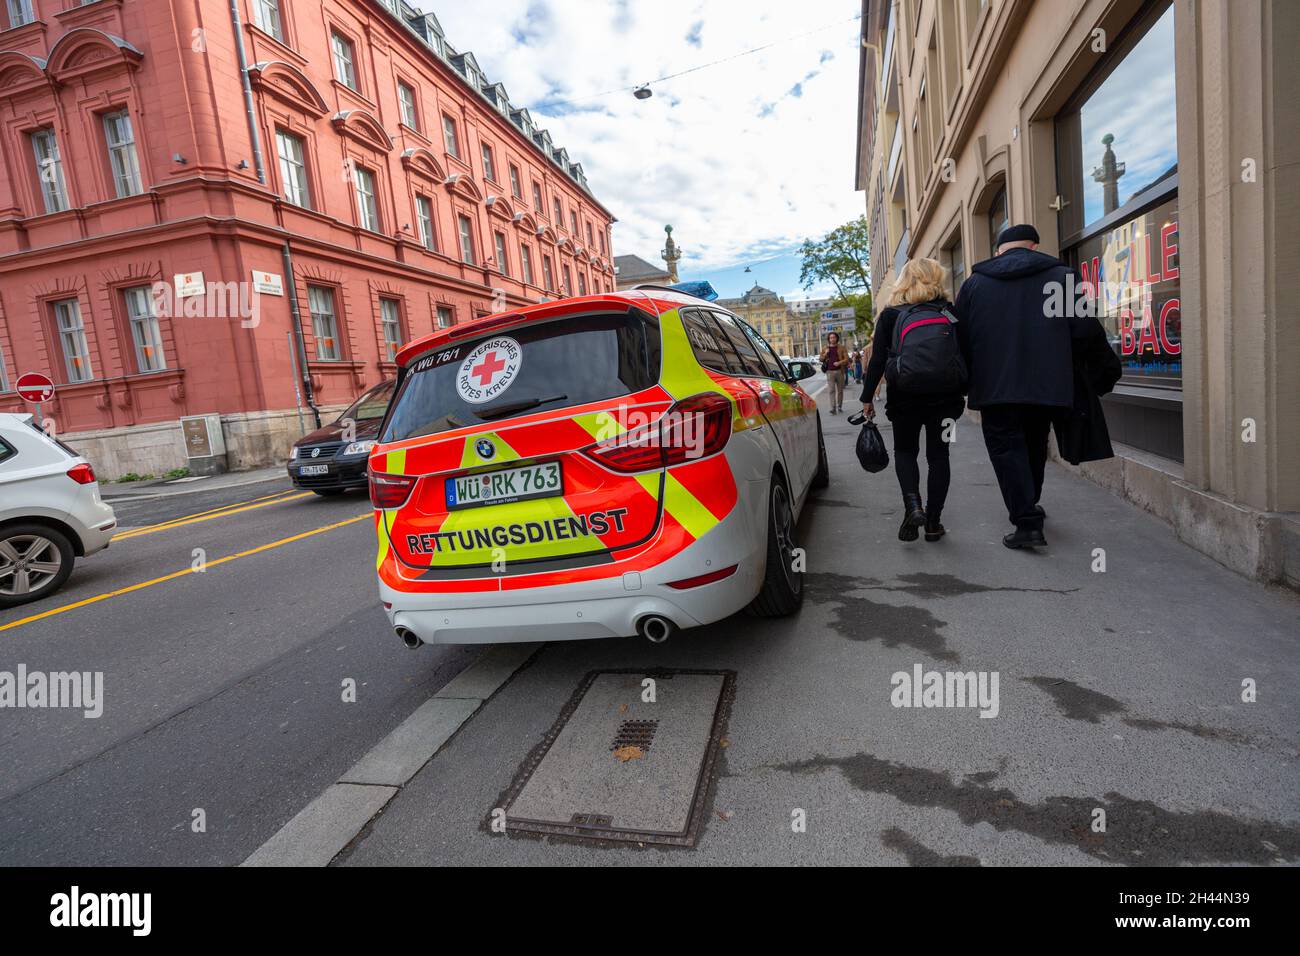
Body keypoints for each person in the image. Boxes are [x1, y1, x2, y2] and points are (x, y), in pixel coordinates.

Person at [954, 223, 1112, 549]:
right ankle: (1030, 502)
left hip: (995, 388)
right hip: (1047, 385)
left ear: (999, 252)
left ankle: (1026, 521)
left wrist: (968, 381)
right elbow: (1085, 332)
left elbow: (962, 340)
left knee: (1005, 448)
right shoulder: (1062, 277)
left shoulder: (974, 285)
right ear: (1035, 248)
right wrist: (1103, 373)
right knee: (1035, 444)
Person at [861, 258, 965, 543]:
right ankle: (933, 523)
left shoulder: (891, 314)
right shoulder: (950, 312)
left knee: (906, 452)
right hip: (946, 400)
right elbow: (966, 352)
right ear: (936, 278)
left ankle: (913, 506)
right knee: (939, 456)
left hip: (903, 398)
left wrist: (867, 397)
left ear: (904, 281)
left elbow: (878, 360)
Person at [820, 331, 850, 414]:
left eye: (834, 337)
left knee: (840, 390)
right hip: (829, 372)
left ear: (837, 338)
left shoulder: (842, 347)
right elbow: (821, 359)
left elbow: (847, 359)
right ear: (829, 339)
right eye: (830, 338)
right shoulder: (825, 348)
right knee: (831, 390)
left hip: (840, 371)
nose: (832, 339)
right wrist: (825, 353)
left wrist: (839, 363)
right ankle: (833, 408)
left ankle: (839, 406)